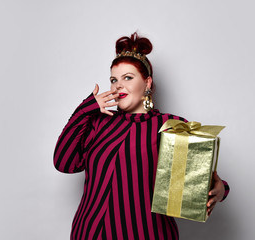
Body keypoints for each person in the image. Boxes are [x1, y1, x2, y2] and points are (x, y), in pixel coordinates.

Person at [54, 32, 230, 240]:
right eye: (113, 79)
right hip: (90, 232)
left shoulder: (170, 125)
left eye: (128, 77)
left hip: (146, 233)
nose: (118, 85)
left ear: (147, 83)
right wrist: (85, 110)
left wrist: (220, 189)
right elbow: (64, 163)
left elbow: (192, 186)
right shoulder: (97, 123)